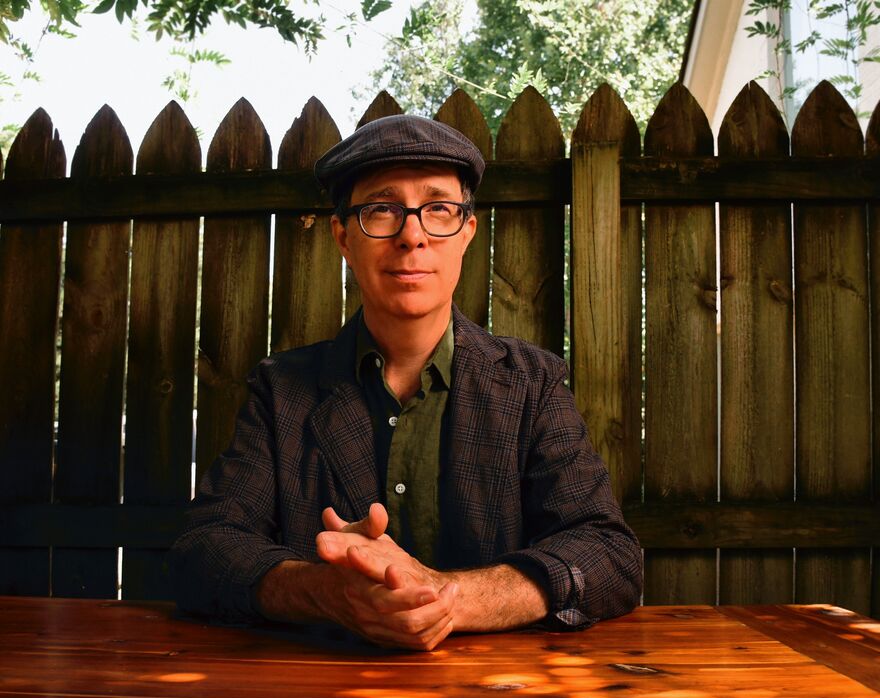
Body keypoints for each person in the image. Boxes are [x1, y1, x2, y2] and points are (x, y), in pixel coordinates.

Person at [169, 115, 641, 651]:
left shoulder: (531, 385)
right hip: (314, 697)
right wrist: (325, 592)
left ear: (467, 231)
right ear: (343, 235)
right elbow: (203, 550)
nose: (412, 235)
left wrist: (448, 597)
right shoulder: (282, 392)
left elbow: (609, 553)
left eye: (438, 208)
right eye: (382, 210)